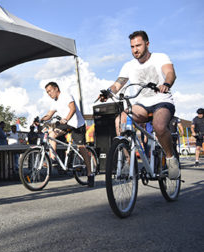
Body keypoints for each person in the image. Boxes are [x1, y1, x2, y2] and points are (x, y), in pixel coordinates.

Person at [99, 30, 180, 179]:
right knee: (120, 121)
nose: (135, 50)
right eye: (132, 47)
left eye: (138, 45)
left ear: (147, 44)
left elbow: (170, 73)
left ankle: (170, 158)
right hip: (142, 104)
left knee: (159, 126)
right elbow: (118, 84)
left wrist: (166, 83)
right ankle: (129, 162)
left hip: (162, 100)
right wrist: (108, 92)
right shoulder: (128, 65)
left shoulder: (160, 57)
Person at [41, 82, 94, 187]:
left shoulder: (66, 96)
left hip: (77, 124)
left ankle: (90, 173)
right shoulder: (54, 102)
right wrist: (40, 119)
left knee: (81, 148)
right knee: (52, 133)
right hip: (66, 125)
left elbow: (72, 109)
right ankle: (52, 159)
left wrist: (66, 119)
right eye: (47, 92)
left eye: (50, 91)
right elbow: (49, 115)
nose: (49, 94)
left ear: (56, 89)